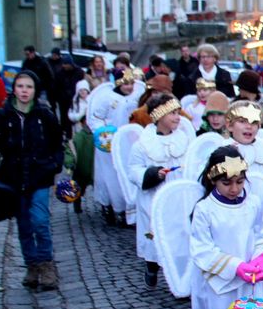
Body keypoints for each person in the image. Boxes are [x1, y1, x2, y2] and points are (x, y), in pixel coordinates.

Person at [190, 146, 263, 309]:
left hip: (252, 285)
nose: (234, 188)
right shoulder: (205, 210)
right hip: (220, 288)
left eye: (239, 181)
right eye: (227, 183)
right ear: (213, 179)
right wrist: (236, 266)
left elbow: (262, 235)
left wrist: (262, 256)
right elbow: (202, 250)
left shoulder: (254, 203)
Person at [0, 70, 63, 291]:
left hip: (39, 176)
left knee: (40, 221)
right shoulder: (4, 114)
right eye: (20, 86)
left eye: (28, 87)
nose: (24, 91)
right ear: (14, 88)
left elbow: (57, 143)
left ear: (35, 90)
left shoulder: (44, 114)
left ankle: (46, 263)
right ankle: (32, 265)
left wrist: (53, 164)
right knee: (24, 224)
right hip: (13, 177)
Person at [127, 93, 191, 288]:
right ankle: (152, 266)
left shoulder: (184, 139)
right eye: (172, 113)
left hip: (178, 198)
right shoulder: (143, 144)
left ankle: (179, 276)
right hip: (154, 197)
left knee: (180, 236)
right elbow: (133, 170)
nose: (177, 117)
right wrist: (153, 174)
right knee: (154, 234)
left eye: (178, 112)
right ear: (158, 115)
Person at [88, 67, 141, 226]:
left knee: (126, 177)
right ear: (118, 83)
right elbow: (96, 118)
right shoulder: (107, 99)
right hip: (109, 147)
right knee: (110, 178)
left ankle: (128, 211)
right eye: (125, 84)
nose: (129, 87)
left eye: (131, 83)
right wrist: (104, 134)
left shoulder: (135, 98)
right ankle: (109, 206)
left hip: (129, 144)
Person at [64, 81, 93, 215]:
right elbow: (71, 149)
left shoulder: (98, 134)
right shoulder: (78, 138)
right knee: (79, 185)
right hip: (82, 166)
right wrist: (70, 163)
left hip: (94, 166)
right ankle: (77, 201)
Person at [224, 101, 263, 176]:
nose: (249, 126)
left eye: (254, 122)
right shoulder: (221, 150)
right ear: (229, 126)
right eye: (242, 121)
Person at [53, 57, 85, 138]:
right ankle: (68, 135)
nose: (64, 66)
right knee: (65, 118)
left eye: (66, 64)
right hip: (63, 100)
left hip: (76, 99)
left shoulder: (79, 72)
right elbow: (56, 86)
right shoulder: (60, 74)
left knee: (77, 117)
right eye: (63, 64)